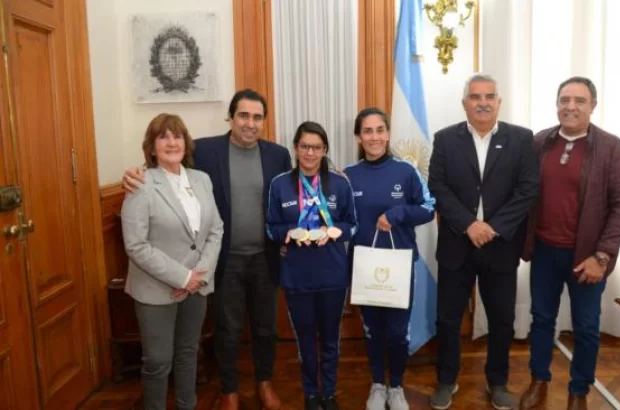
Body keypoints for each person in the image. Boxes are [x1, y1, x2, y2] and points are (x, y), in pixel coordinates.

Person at [122, 90, 291, 410]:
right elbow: (167, 168)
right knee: (227, 328)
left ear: (263, 122)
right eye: (243, 115)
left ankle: (264, 383)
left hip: (264, 258)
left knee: (266, 327)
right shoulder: (206, 150)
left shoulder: (278, 155)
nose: (250, 123)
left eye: (257, 117)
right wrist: (133, 174)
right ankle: (229, 390)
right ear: (231, 117)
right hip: (223, 260)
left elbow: (290, 194)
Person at [519, 76, 620, 410]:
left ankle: (578, 391)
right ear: (556, 104)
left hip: (587, 257)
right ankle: (538, 381)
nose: (570, 107)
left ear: (593, 106)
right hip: (544, 250)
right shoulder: (539, 142)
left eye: (579, 101)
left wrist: (602, 256)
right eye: (564, 99)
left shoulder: (612, 148)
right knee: (541, 320)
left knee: (586, 328)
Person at [427, 73, 540, 410]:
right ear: (465, 103)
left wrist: (492, 226)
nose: (483, 102)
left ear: (499, 102)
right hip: (456, 245)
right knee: (448, 318)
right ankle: (447, 380)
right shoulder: (445, 139)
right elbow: (438, 187)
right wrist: (468, 225)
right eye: (475, 97)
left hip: (500, 245)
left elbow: (528, 189)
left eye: (489, 96)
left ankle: (498, 382)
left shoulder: (521, 139)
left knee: (502, 319)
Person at [121, 113, 223, 410]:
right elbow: (136, 246)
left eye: (177, 136)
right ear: (151, 148)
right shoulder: (140, 184)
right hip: (156, 290)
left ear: (186, 143)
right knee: (157, 361)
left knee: (188, 352)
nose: (171, 142)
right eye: (163, 137)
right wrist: (182, 277)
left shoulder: (202, 180)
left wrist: (198, 278)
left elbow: (216, 230)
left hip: (197, 287)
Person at [344, 107, 436, 410]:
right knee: (372, 330)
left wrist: (398, 213)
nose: (374, 137)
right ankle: (377, 385)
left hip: (399, 266)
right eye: (367, 131)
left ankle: (396, 386)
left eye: (379, 130)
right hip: (364, 266)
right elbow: (340, 221)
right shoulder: (348, 176)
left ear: (388, 134)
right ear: (359, 136)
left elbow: (428, 208)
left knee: (397, 332)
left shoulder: (405, 171)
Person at [266, 121, 357, 410]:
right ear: (295, 148)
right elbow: (270, 226)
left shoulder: (340, 183)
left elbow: (352, 224)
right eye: (304, 146)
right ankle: (310, 393)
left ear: (325, 150)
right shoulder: (280, 184)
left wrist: (337, 232)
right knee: (305, 340)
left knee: (330, 338)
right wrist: (287, 233)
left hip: (333, 274)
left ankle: (328, 392)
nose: (310, 152)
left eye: (316, 147)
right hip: (296, 275)